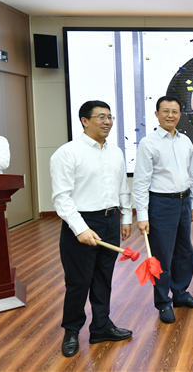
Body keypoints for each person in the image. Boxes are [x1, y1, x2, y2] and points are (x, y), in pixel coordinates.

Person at [50, 100, 133, 357]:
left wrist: (125, 217)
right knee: (78, 282)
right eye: (101, 117)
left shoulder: (115, 152)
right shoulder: (67, 153)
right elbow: (61, 197)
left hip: (110, 220)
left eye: (110, 117)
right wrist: (80, 229)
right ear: (84, 121)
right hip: (81, 222)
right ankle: (71, 331)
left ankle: (101, 327)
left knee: (103, 278)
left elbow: (122, 186)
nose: (107, 122)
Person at [132, 95, 193, 324]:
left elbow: (192, 174)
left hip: (183, 201)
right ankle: (163, 302)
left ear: (180, 115)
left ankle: (180, 294)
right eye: (166, 111)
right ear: (157, 114)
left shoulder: (185, 141)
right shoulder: (148, 143)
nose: (170, 115)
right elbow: (140, 182)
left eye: (174, 112)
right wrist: (142, 215)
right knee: (162, 255)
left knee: (185, 251)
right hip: (160, 204)